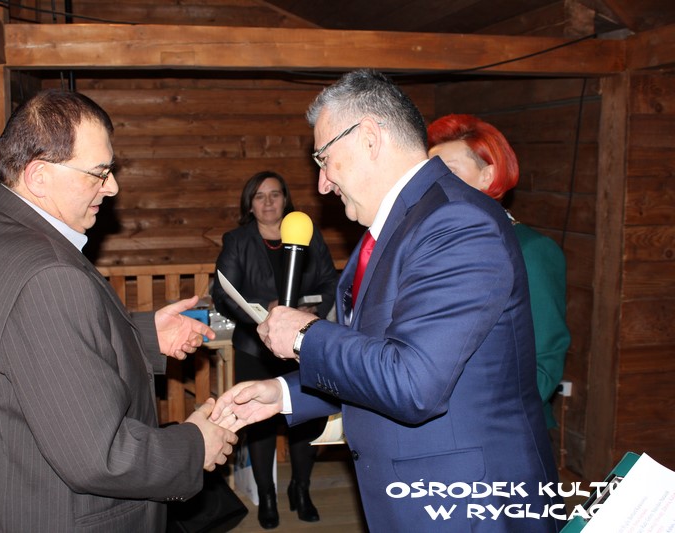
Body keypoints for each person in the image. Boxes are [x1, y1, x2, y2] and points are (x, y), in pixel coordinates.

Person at [212, 69, 563, 532]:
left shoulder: (456, 222)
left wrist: (304, 335)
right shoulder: (393, 226)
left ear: (370, 138)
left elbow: (413, 382)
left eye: (324, 159)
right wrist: (284, 394)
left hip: (464, 502)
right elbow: (373, 360)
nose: (323, 183)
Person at [0, 89, 238, 532]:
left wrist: (144, 335)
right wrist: (194, 446)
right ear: (38, 176)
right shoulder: (47, 276)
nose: (112, 187)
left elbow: (25, 351)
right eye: (98, 173)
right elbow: (100, 455)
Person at [427, 113, 571, 429]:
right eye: (429, 172)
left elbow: (544, 363)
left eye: (449, 171)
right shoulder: (434, 246)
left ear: (488, 175)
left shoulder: (531, 250)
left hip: (505, 433)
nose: (433, 183)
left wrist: (483, 425)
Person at [211, 170, 338, 528]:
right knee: (261, 424)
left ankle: (301, 489)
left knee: (305, 419)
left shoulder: (307, 234)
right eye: (259, 196)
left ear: (286, 199)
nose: (268, 202)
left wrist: (313, 309)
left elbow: (330, 281)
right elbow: (223, 294)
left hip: (303, 343)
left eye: (275, 194)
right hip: (256, 346)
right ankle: (267, 496)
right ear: (249, 205)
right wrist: (263, 312)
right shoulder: (237, 241)